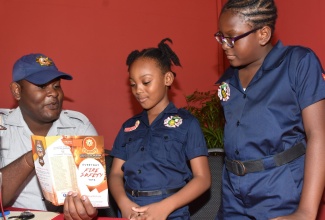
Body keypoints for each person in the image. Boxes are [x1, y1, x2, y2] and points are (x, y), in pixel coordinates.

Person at [63, 38, 211, 220]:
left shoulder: (187, 123)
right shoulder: (128, 127)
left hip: (170, 211)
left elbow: (203, 178)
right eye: (133, 84)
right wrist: (124, 204)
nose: (138, 90)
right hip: (130, 210)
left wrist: (163, 208)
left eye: (146, 82)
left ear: (167, 78)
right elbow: (116, 173)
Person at [214, 0, 325, 219]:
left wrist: (305, 212)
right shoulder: (228, 80)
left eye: (232, 37)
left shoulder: (298, 62)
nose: (225, 45)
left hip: (280, 190)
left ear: (263, 34)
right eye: (221, 37)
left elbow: (318, 135)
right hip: (232, 194)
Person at [0, 53, 98, 211]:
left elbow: (94, 194)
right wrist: (31, 158)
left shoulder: (79, 127)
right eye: (42, 86)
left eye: (57, 86)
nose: (54, 93)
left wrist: (88, 209)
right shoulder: (2, 129)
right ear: (17, 90)